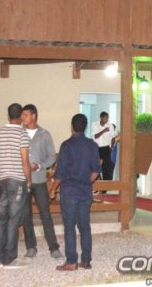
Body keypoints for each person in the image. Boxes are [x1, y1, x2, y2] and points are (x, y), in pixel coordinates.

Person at [51, 113, 100, 271]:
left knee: (69, 227)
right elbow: (96, 171)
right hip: (85, 191)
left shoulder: (66, 146)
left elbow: (60, 173)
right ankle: (86, 260)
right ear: (85, 127)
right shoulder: (92, 145)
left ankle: (71, 261)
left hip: (69, 192)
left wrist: (53, 189)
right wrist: (86, 182)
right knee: (85, 226)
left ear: (72, 127)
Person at [21, 104, 62, 259]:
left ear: (33, 116)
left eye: (25, 115)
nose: (23, 118)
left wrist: (39, 166)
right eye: (22, 115)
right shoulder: (19, 133)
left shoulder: (44, 134)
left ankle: (54, 247)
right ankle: (31, 247)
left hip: (39, 180)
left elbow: (51, 157)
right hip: (23, 180)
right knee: (26, 215)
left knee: (45, 213)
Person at [0, 103, 32, 269]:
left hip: (3, 180)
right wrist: (28, 179)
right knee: (13, 219)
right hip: (17, 180)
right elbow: (25, 159)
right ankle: (10, 258)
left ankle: (1, 256)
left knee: (2, 218)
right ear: (21, 116)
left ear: (8, 116)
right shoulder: (22, 134)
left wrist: (3, 171)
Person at [91, 112, 115, 183]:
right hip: (96, 148)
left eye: (108, 118)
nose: (107, 119)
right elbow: (95, 136)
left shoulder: (110, 126)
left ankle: (106, 185)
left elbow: (113, 137)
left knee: (107, 168)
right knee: (96, 166)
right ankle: (96, 183)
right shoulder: (95, 124)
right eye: (105, 118)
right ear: (101, 117)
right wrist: (104, 131)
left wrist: (111, 147)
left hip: (106, 148)